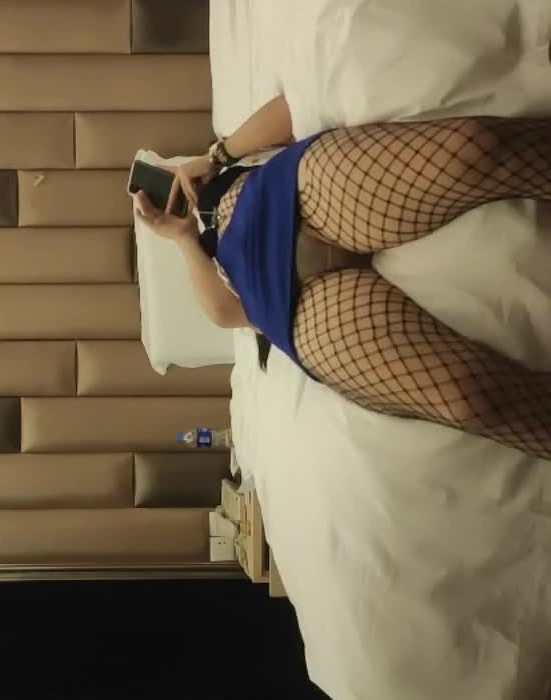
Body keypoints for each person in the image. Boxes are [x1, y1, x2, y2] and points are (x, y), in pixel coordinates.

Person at [133, 94, 551, 461]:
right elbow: (227, 314)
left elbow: (288, 110)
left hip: (289, 194)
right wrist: (183, 238)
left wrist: (216, 156)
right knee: (468, 400)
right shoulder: (200, 254)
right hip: (285, 303)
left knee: (474, 148)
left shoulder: (217, 169)